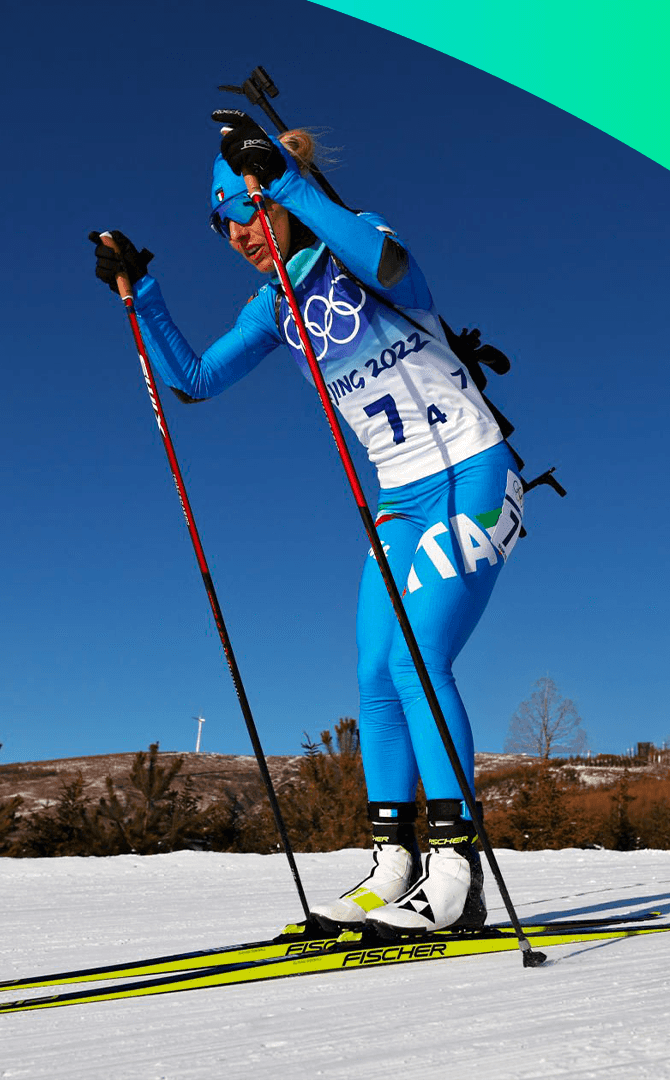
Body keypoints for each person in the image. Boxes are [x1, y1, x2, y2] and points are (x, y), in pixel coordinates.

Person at [90, 110, 526, 933]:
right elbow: (193, 380)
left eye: (246, 213)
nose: (238, 236)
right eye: (223, 226)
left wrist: (287, 183)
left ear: (277, 197)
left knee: (419, 659)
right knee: (375, 676)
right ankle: (393, 863)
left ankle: (457, 868)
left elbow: (391, 265)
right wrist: (141, 293)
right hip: (401, 501)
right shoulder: (272, 308)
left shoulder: (360, 242)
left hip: (473, 472)